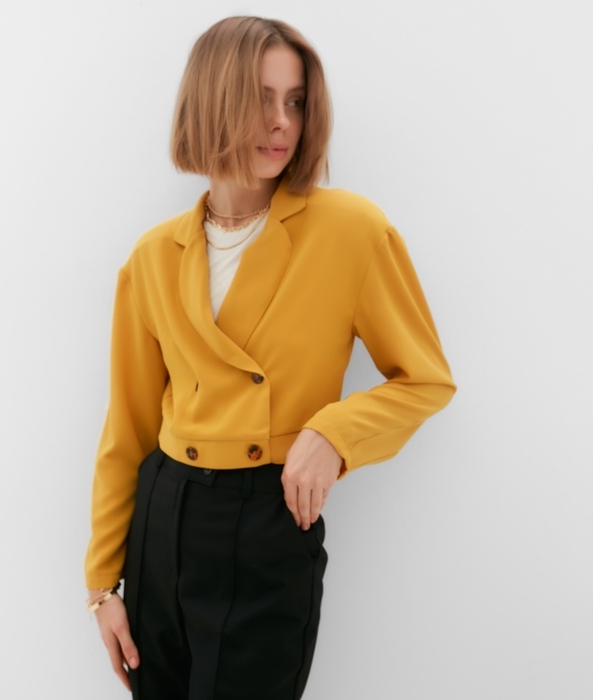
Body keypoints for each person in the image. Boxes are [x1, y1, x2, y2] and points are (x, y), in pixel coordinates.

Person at [84, 15, 455, 700]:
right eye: (260, 97)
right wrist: (102, 585)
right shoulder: (153, 256)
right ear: (210, 101)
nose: (282, 121)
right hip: (161, 522)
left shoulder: (350, 230)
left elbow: (425, 380)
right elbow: (127, 430)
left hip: (265, 523)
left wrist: (333, 435)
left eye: (296, 101)